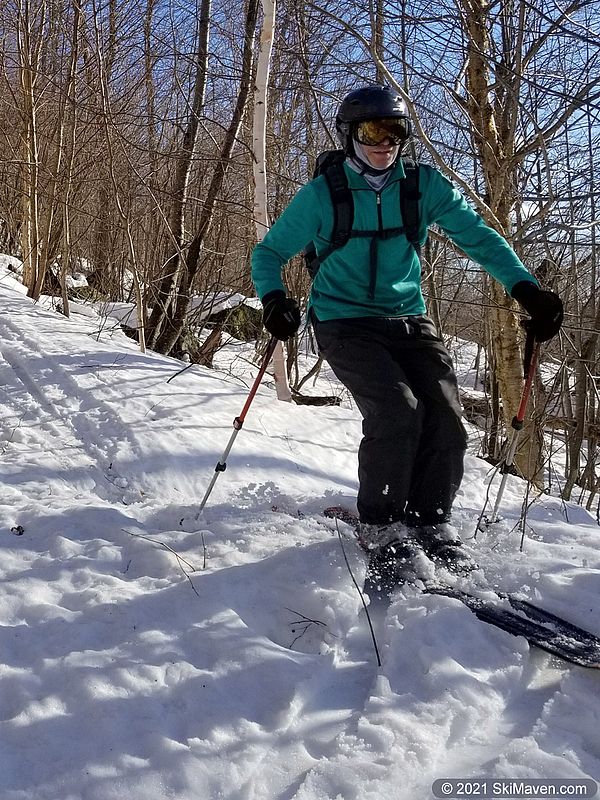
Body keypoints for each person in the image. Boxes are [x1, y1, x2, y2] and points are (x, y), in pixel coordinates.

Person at [251, 85, 563, 587]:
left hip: (408, 318)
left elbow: (479, 237)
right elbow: (268, 254)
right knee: (397, 410)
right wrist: (274, 300)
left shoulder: (422, 187)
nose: (384, 143)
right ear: (351, 135)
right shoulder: (322, 195)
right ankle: (380, 523)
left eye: (395, 132)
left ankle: (429, 520)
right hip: (343, 320)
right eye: (373, 132)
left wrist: (526, 288)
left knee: (446, 415)